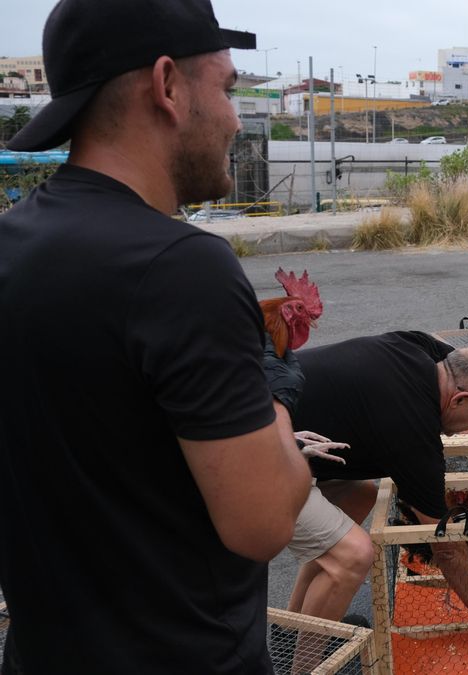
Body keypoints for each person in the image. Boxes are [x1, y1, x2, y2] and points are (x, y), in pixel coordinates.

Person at [0, 1, 312, 673]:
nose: (234, 117)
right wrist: (278, 390)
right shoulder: (182, 268)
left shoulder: (12, 244)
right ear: (167, 85)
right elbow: (264, 523)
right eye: (227, 88)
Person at [283, 332, 468, 665]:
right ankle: (304, 667)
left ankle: (292, 627)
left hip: (274, 425)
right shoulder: (414, 433)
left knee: (358, 498)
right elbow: (445, 544)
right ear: (460, 401)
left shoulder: (422, 353)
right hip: (256, 461)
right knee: (352, 556)